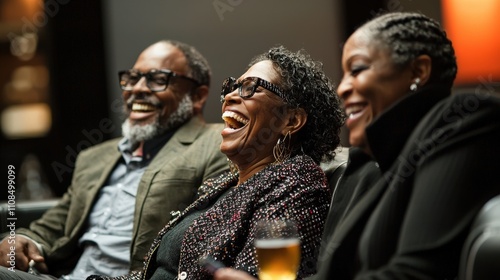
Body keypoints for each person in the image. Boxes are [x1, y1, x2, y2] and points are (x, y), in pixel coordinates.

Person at [214, 11, 500, 280]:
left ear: (419, 71)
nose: (343, 87)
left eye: (357, 69)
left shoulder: (462, 120)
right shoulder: (368, 163)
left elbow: (416, 272)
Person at [86, 45, 345, 280]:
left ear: (291, 121)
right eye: (232, 86)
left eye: (250, 87)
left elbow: (253, 276)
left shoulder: (296, 182)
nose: (230, 96)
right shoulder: (225, 182)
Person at [0, 40, 229, 279]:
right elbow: (53, 225)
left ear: (198, 96)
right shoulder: (96, 156)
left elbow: (205, 236)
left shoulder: (217, 144)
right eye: (132, 78)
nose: (137, 89)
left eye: (158, 79)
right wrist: (21, 240)